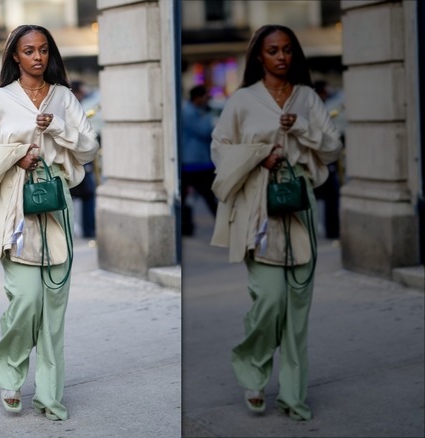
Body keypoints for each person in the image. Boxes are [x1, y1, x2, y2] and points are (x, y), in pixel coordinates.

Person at [0, 24, 99, 421]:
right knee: (25, 300)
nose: (37, 57)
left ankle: (49, 396)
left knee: (54, 308)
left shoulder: (64, 97)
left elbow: (89, 148)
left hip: (55, 203)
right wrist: (16, 156)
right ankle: (8, 370)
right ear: (15, 57)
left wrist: (56, 126)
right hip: (14, 207)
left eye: (43, 49)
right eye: (28, 50)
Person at [210, 25, 342, 421]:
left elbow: (333, 148)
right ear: (259, 57)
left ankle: (293, 396)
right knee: (269, 301)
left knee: (298, 311)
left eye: (287, 49)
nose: (281, 56)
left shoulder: (307, 98)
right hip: (257, 210)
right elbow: (221, 148)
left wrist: (300, 127)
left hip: (298, 207)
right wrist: (259, 156)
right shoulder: (243, 100)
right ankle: (252, 369)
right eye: (272, 50)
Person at [181, 85, 218, 236]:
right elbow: (205, 131)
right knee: (208, 197)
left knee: (207, 197)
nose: (206, 100)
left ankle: (187, 227)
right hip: (194, 163)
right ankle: (186, 227)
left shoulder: (195, 111)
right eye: (205, 97)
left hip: (199, 161)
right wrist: (209, 114)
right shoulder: (189, 113)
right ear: (197, 97)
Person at [312, 80, 342, 239]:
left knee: (327, 197)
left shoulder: (320, 108)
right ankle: (331, 231)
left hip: (321, 161)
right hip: (319, 161)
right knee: (329, 196)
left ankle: (331, 231)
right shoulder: (317, 110)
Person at [68, 79, 97, 238]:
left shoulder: (73, 107)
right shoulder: (74, 109)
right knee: (87, 193)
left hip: (76, 158)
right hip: (77, 158)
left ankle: (83, 229)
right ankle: (87, 230)